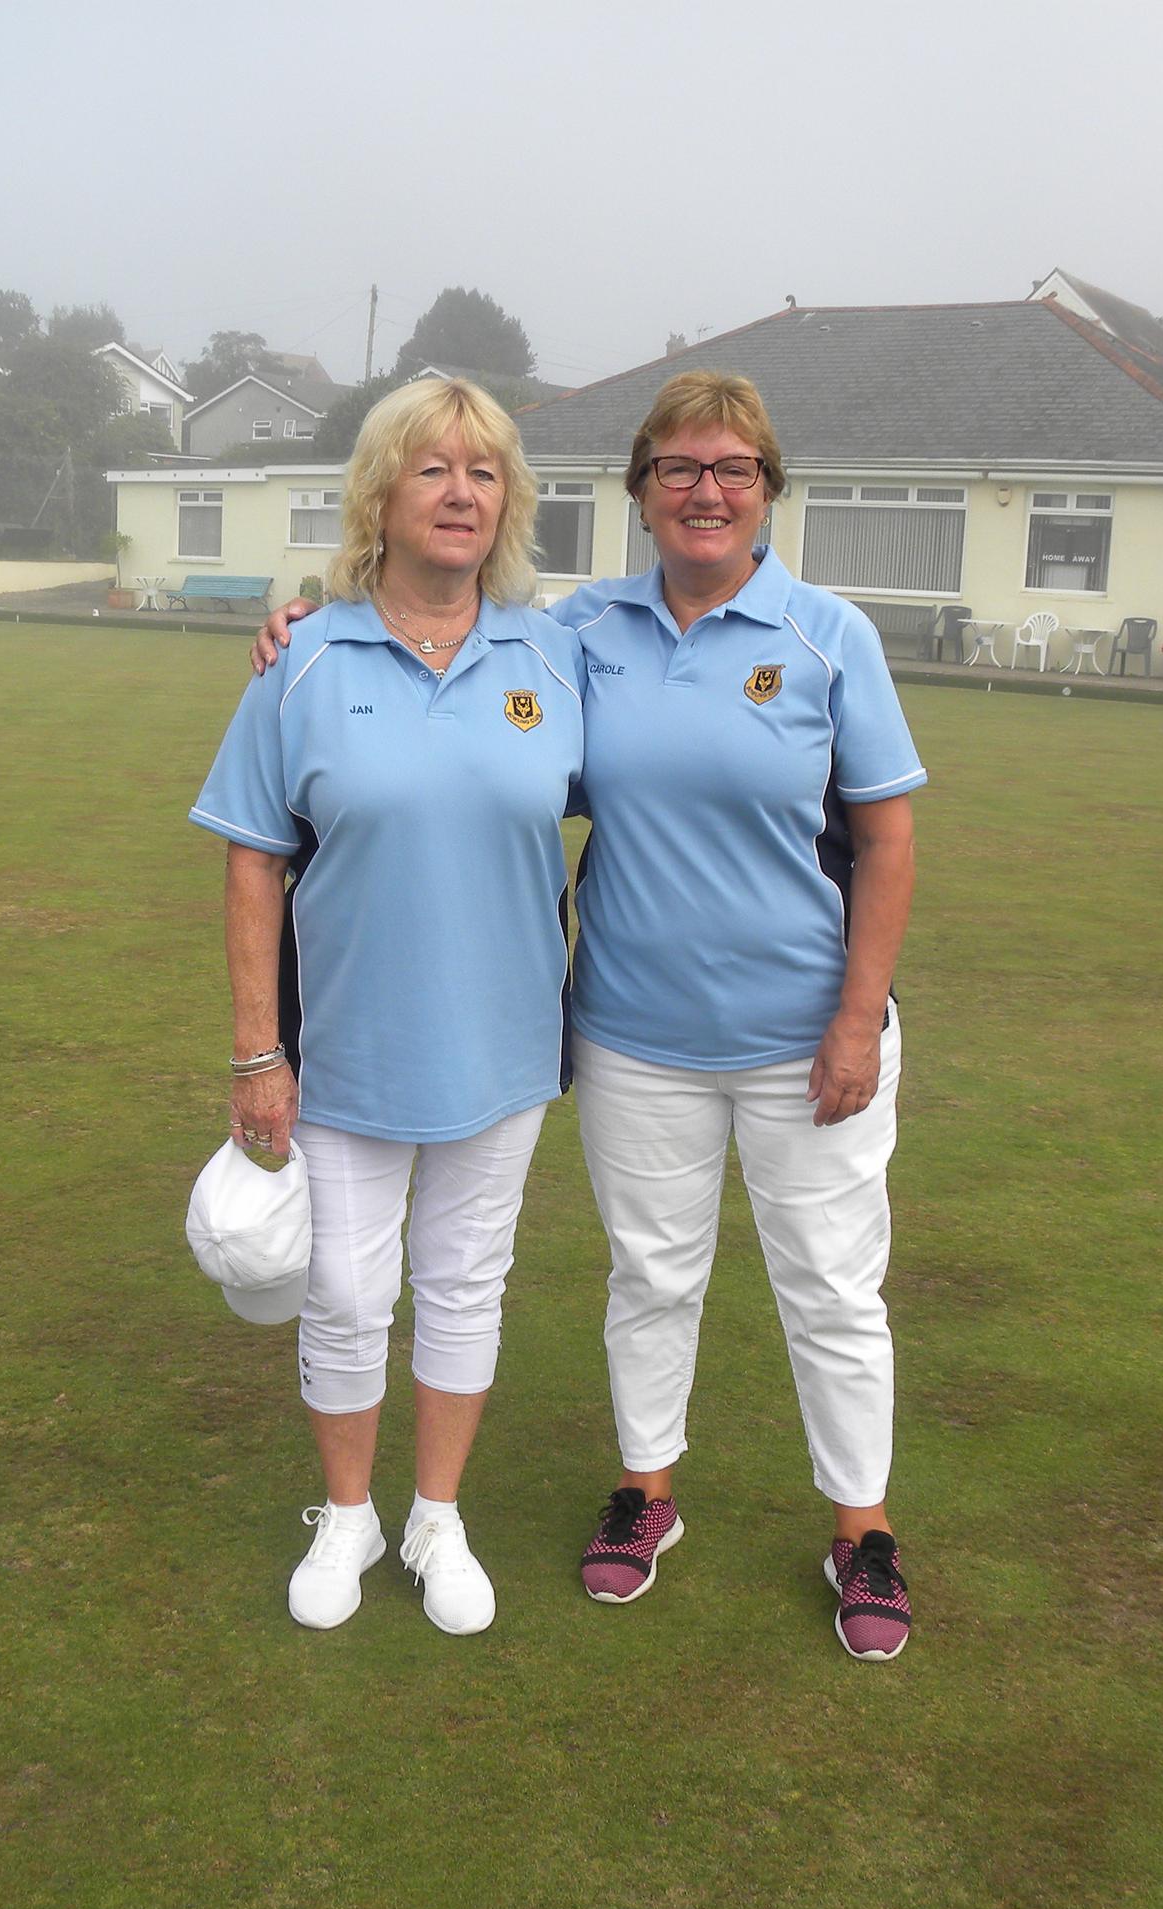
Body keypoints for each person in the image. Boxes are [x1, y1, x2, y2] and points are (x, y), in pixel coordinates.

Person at [257, 372, 925, 1659]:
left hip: (809, 1036)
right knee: (652, 1277)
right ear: (640, 492)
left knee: (834, 1293)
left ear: (769, 491)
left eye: (733, 469)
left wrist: (857, 1019)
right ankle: (646, 1496)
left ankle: (863, 1531)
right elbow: (430, 638)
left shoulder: (832, 635)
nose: (706, 492)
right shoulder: (577, 634)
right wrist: (307, 620)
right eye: (678, 469)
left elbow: (887, 844)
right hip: (627, 1030)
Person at [191, 379, 582, 1637]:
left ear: (507, 500)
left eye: (483, 471)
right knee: (349, 1299)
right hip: (345, 1050)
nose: (461, 492)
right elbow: (253, 855)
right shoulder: (303, 660)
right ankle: (348, 1515)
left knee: (467, 1285)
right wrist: (258, 1051)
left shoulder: (556, 651)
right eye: (432, 469)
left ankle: (438, 1516)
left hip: (507, 1043)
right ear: (381, 494)